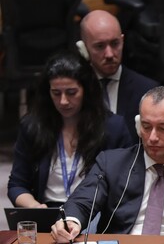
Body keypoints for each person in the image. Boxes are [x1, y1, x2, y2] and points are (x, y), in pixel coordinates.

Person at [51, 86, 164, 240]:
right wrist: (71, 220)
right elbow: (83, 201)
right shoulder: (111, 163)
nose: (152, 137)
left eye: (163, 128)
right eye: (146, 126)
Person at [8, 51, 132, 208]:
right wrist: (35, 208)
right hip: (47, 210)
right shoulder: (32, 126)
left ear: (86, 91)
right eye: (56, 93)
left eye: (71, 93)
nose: (63, 101)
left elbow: (126, 185)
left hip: (93, 214)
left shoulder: (113, 128)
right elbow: (17, 184)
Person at [78, 10, 159, 140]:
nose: (109, 54)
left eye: (115, 44)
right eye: (100, 46)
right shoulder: (73, 91)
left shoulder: (148, 91)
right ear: (84, 48)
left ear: (122, 41)